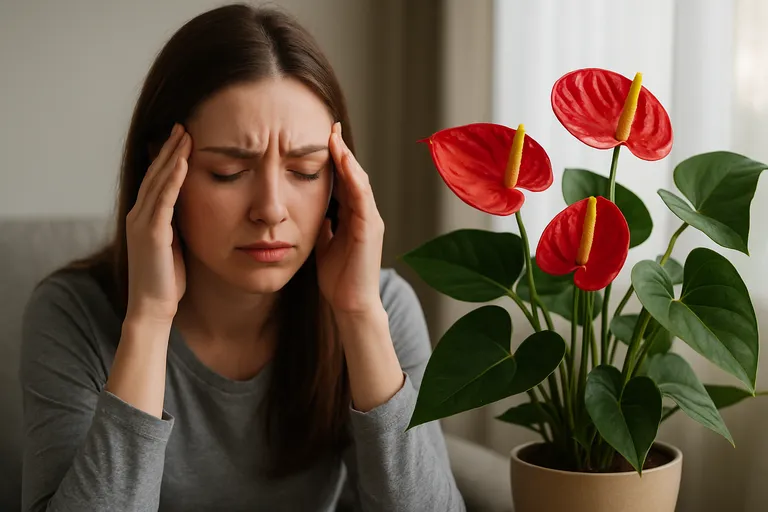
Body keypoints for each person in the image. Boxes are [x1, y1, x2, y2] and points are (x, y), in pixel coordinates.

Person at [18, 3, 465, 511]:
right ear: (163, 172)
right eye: (229, 171)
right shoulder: (71, 314)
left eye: (306, 170)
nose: (271, 209)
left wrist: (359, 317)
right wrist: (147, 319)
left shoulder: (381, 304)